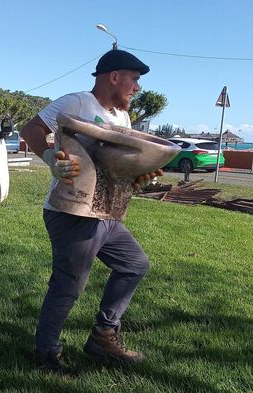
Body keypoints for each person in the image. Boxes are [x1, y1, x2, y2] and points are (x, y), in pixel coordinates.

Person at [19, 49, 162, 372]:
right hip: (71, 213)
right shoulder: (78, 103)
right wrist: (49, 160)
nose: (137, 88)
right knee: (69, 285)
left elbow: (117, 168)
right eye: (134, 80)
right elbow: (30, 130)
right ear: (114, 77)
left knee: (134, 265)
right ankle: (45, 353)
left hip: (106, 214)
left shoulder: (122, 119)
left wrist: (141, 177)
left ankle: (103, 336)